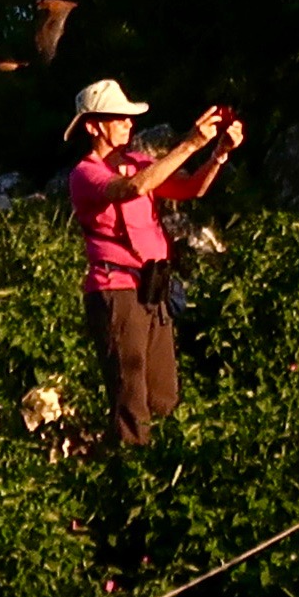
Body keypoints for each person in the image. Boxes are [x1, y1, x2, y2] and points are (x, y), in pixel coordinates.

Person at [59, 81, 241, 446]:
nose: (129, 123)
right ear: (94, 126)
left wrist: (218, 154)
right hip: (116, 290)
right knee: (131, 396)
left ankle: (159, 472)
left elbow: (189, 188)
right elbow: (132, 189)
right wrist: (191, 143)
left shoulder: (139, 162)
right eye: (119, 117)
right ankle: (130, 477)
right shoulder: (86, 174)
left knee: (163, 396)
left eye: (129, 116)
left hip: (151, 287)